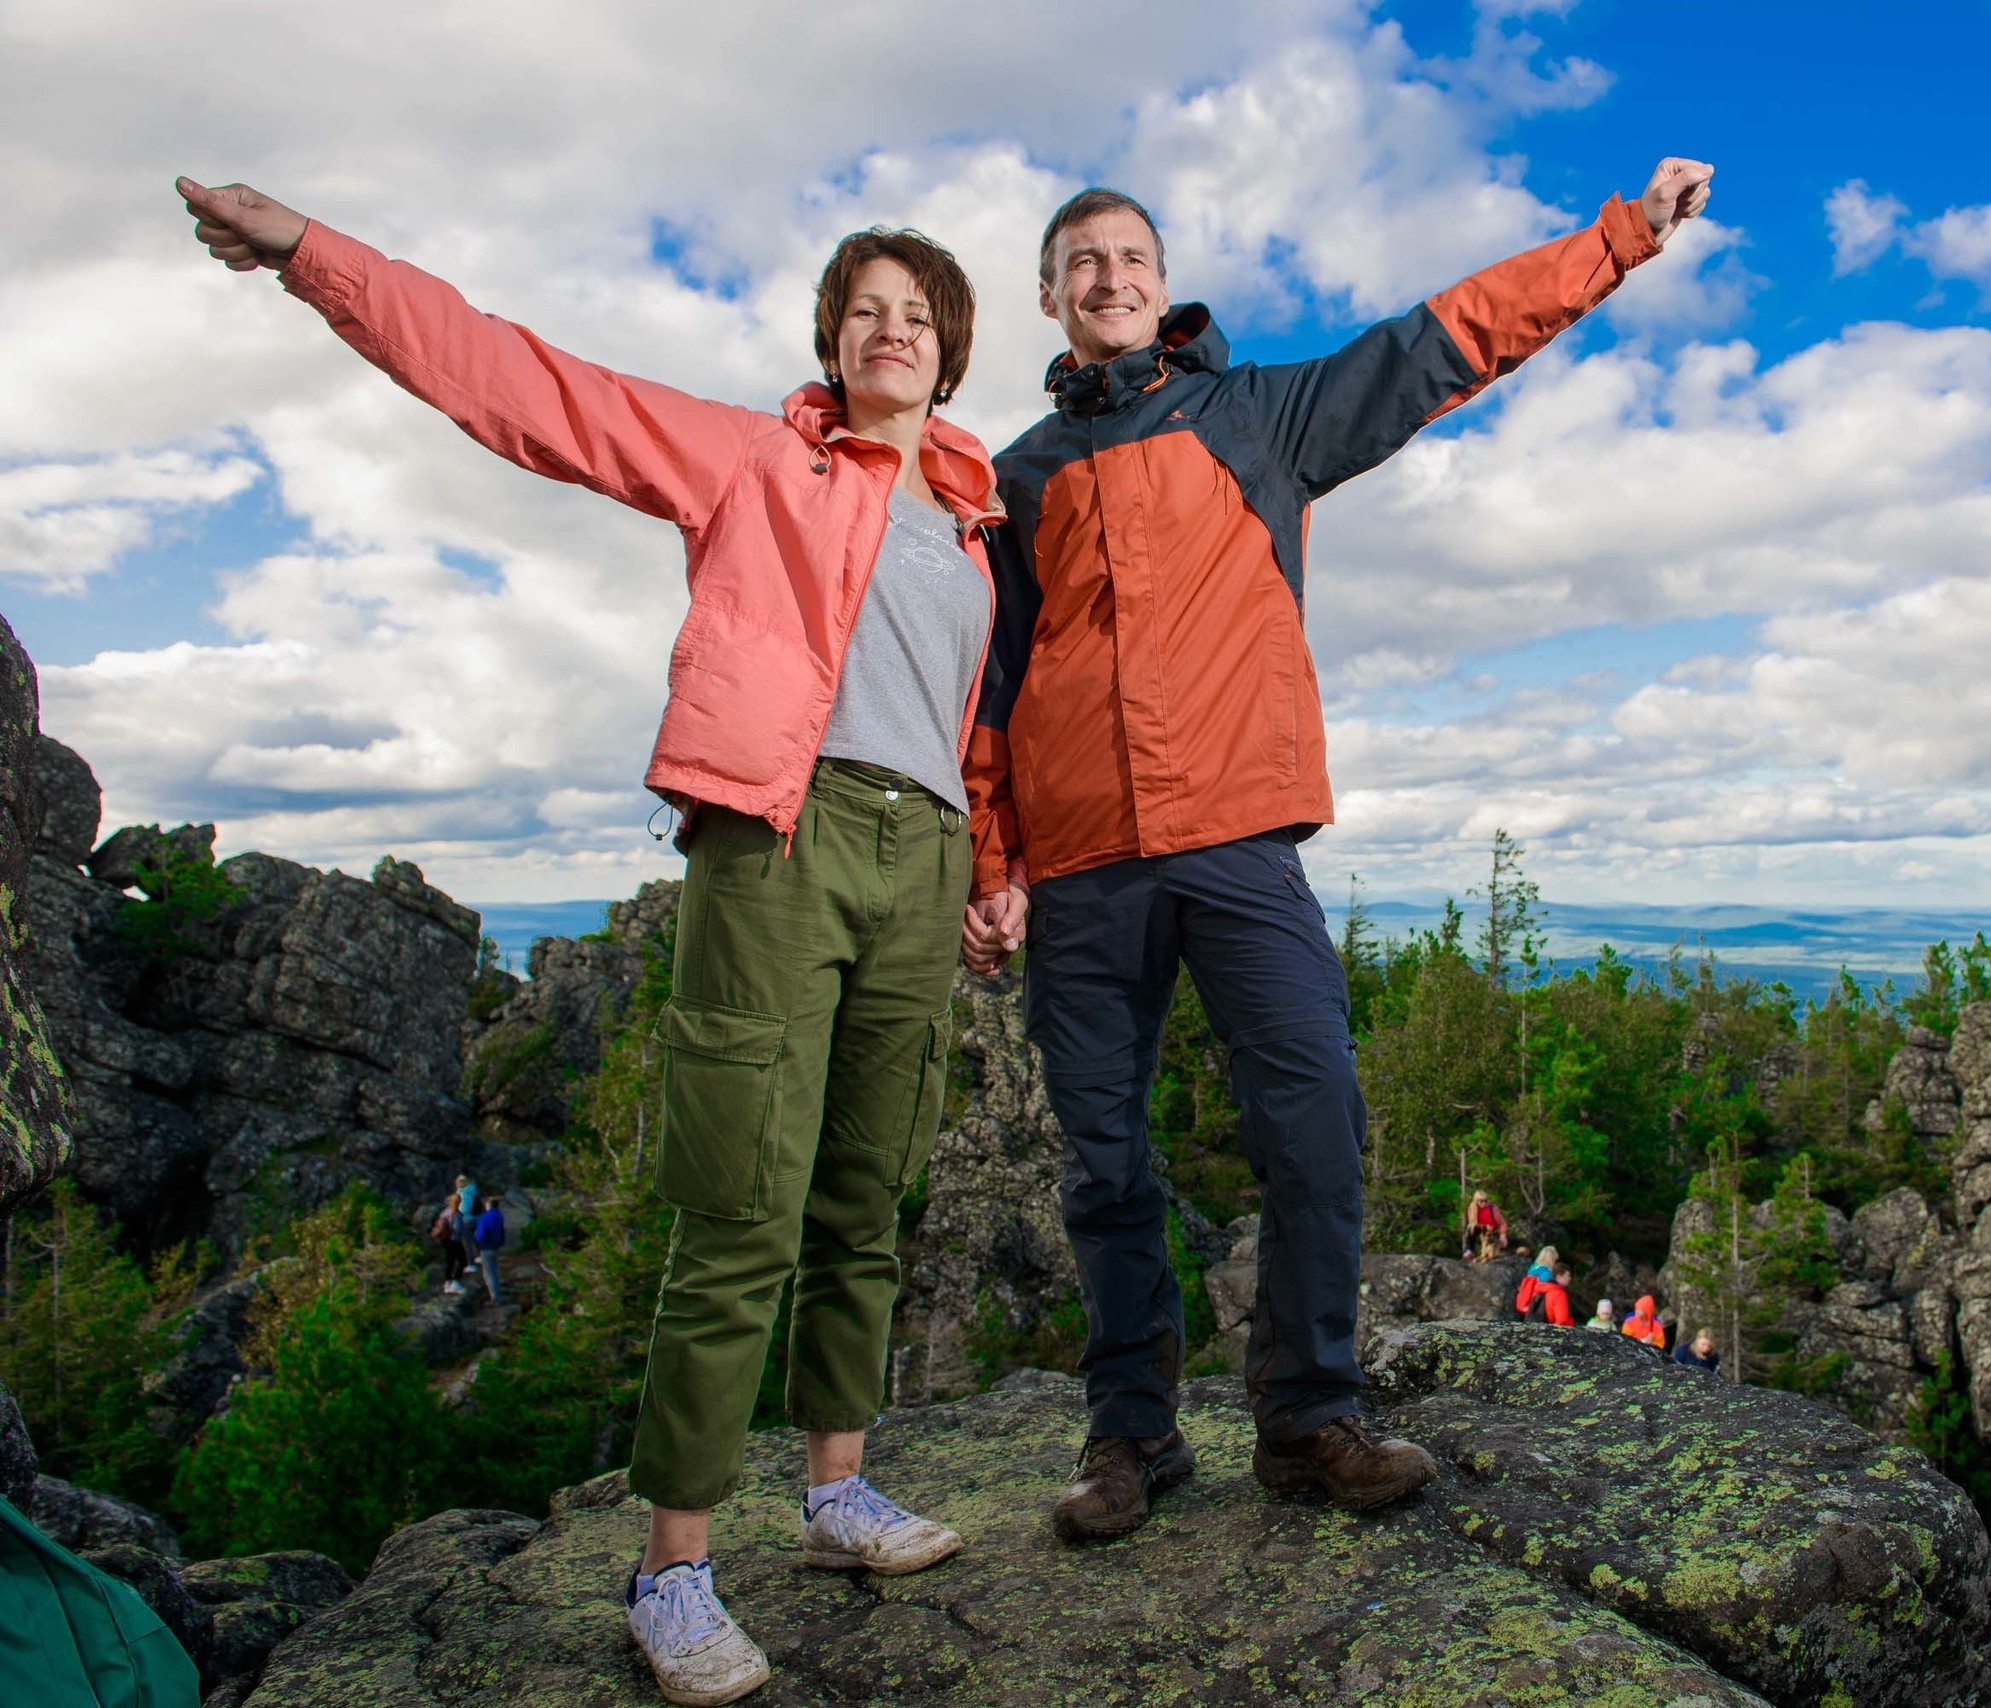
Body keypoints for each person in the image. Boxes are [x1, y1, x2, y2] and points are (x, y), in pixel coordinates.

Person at [178, 176, 997, 1708]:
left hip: (922, 859)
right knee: (740, 1204)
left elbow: (968, 730)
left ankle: (836, 1492)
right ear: (832, 340)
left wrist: (990, 869)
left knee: (867, 1196)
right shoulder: (757, 461)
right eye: (866, 310)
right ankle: (672, 1567)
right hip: (781, 836)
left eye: (920, 317)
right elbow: (524, 386)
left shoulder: (970, 522)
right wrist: (314, 258)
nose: (892, 332)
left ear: (950, 356)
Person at [959, 156, 1715, 1544]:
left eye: (1130, 257)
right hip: (1080, 863)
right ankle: (1131, 1439)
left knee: (1315, 1127)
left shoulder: (1266, 414)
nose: (1109, 279)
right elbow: (992, 685)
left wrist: (1617, 244)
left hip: (1239, 837)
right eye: (1082, 264)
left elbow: (1444, 339)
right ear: (1052, 301)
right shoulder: (1022, 478)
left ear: (1164, 287)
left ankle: (1307, 1418)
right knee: (1104, 1162)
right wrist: (991, 857)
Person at [471, 1198, 508, 1306]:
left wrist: (477, 1239)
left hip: (486, 1247)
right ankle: (497, 1294)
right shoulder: (499, 1216)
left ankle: (495, 1298)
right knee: (494, 1271)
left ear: (489, 1205)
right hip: (496, 1246)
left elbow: (481, 1235)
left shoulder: (485, 1217)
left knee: (489, 1273)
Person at [431, 1193, 468, 1295]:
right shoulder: (456, 1214)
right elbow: (457, 1229)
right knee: (462, 1261)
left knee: (450, 1261)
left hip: (445, 1240)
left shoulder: (444, 1212)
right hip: (455, 1240)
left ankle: (448, 1283)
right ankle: (456, 1282)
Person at [1463, 1191, 1508, 1262]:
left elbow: (1502, 1223)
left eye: (1485, 1200)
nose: (1483, 1203)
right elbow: (1472, 1222)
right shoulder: (1472, 1207)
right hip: (1482, 1229)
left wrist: (1503, 1235)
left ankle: (1491, 1252)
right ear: (1476, 1201)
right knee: (1470, 1228)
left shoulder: (1492, 1208)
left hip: (1493, 1231)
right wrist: (1485, 1226)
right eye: (1481, 1201)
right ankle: (1469, 1251)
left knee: (1493, 1251)